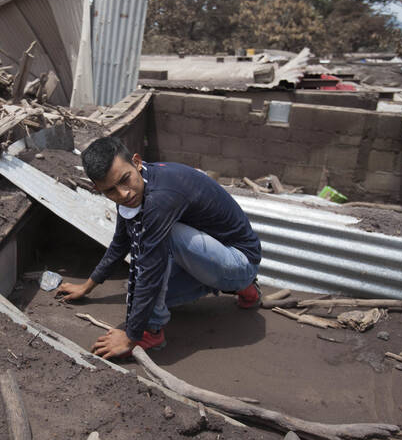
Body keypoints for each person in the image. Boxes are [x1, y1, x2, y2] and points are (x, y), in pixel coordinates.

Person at [56, 137, 262, 360]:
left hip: (239, 260)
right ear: (99, 189)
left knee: (153, 262)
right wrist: (86, 287)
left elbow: (150, 267)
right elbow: (120, 243)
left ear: (136, 161)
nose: (123, 194)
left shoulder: (161, 197)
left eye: (125, 180)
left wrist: (131, 336)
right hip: (208, 258)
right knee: (143, 296)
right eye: (111, 190)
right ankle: (244, 289)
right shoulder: (132, 187)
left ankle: (152, 332)